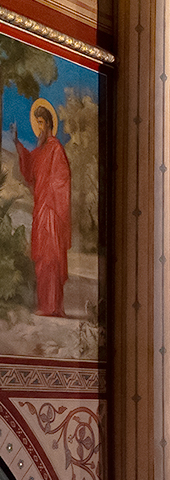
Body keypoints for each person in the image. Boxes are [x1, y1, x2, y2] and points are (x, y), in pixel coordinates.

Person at [11, 100, 72, 317]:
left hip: (52, 212)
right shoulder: (40, 150)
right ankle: (45, 306)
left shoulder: (56, 149)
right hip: (41, 210)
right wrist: (17, 142)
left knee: (52, 258)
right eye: (36, 123)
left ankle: (55, 307)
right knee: (42, 260)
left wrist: (50, 192)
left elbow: (62, 179)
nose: (39, 127)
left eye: (41, 123)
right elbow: (29, 167)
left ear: (49, 124)